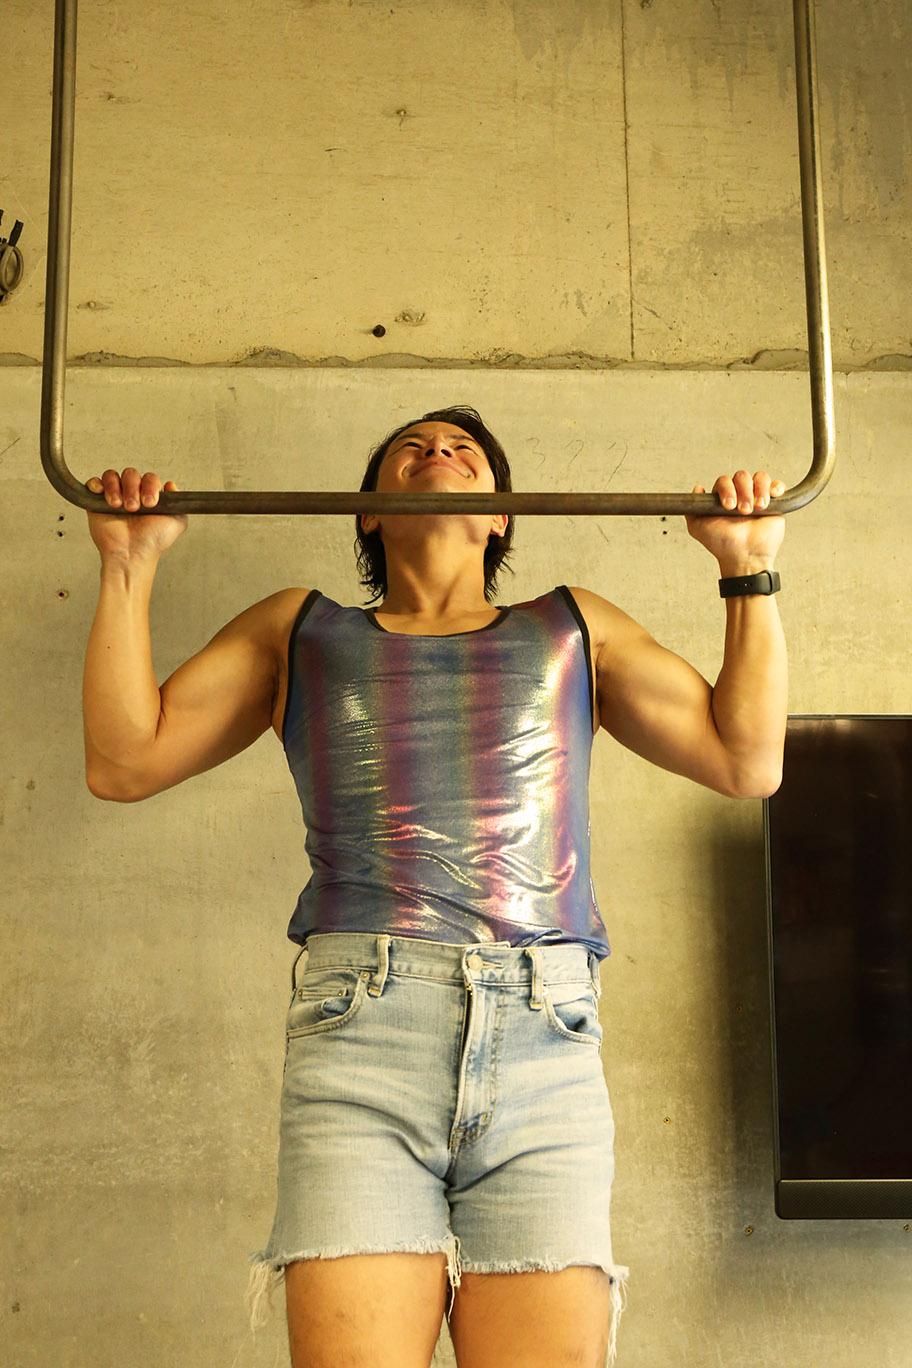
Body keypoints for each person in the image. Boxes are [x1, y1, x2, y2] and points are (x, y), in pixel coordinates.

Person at [82, 405, 787, 1368]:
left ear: (501, 517)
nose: (438, 453)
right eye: (410, 448)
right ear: (369, 511)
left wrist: (748, 569)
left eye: (465, 452)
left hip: (544, 1036)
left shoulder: (573, 628)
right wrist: (128, 565)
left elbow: (746, 762)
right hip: (363, 1031)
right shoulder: (299, 630)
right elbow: (124, 761)